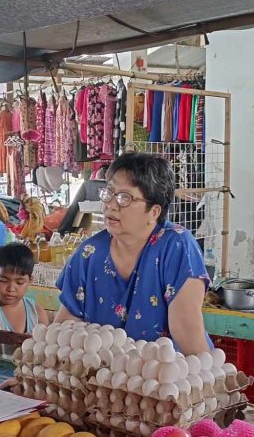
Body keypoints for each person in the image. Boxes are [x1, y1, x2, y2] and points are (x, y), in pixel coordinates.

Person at [54, 152, 212, 354]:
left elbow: (186, 330)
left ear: (154, 212)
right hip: (103, 376)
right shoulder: (89, 253)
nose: (111, 204)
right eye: (109, 193)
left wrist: (206, 380)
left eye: (124, 198)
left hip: (170, 374)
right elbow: (65, 327)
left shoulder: (176, 246)